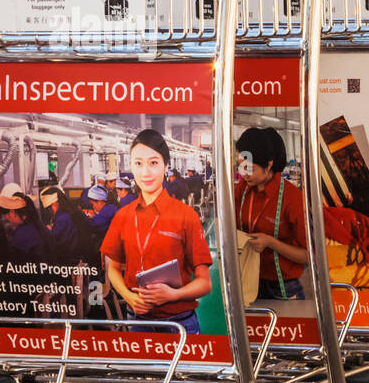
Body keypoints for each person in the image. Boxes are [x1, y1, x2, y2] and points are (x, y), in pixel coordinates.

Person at [101, 129, 213, 333]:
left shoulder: (185, 215)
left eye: (153, 163)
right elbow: (113, 269)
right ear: (131, 167)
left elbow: (205, 283)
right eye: (138, 163)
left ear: (166, 166)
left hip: (178, 323)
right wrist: (129, 297)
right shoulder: (123, 216)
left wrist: (172, 295)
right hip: (137, 320)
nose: (145, 172)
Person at [235, 126, 309, 300]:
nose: (244, 174)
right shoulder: (241, 190)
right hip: (247, 280)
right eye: (241, 167)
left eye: (250, 168)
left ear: (268, 165)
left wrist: (271, 243)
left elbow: (308, 256)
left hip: (283, 288)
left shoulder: (292, 198)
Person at [0, 183, 48, 264]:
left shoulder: (23, 234)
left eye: (7, 212)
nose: (7, 217)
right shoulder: (36, 225)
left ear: (14, 211)